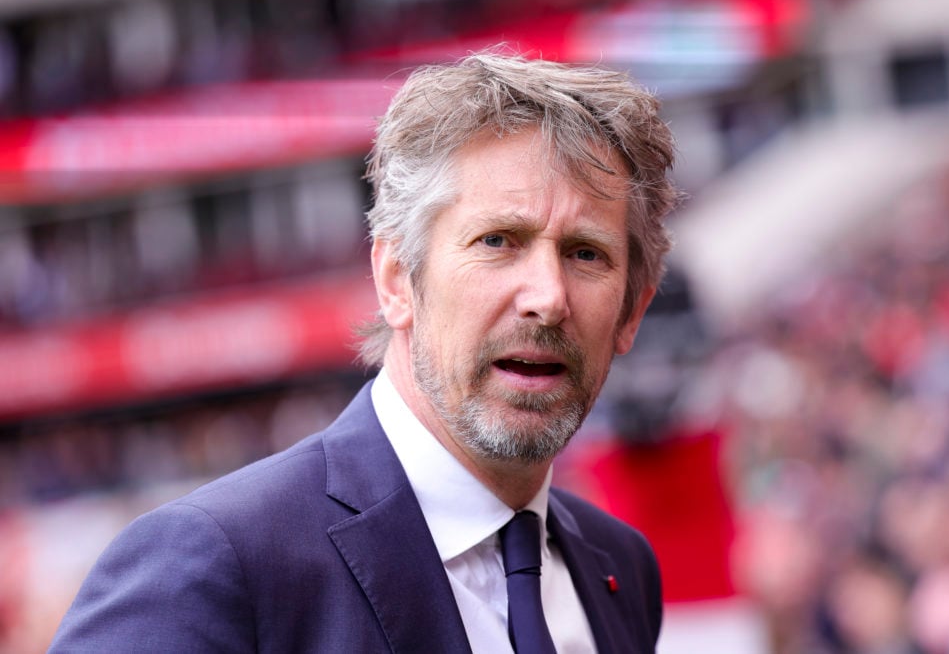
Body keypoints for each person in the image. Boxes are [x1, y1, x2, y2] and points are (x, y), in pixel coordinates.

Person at [49, 50, 680, 653]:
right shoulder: (215, 563)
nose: (548, 297)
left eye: (586, 254)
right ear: (396, 280)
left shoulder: (618, 565)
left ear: (632, 311)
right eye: (498, 241)